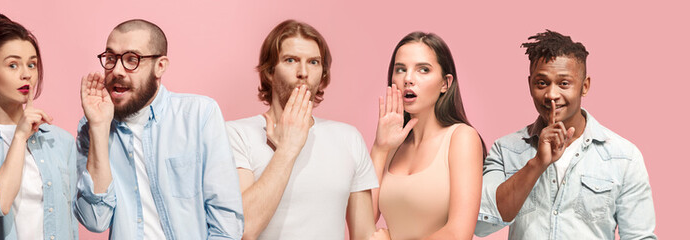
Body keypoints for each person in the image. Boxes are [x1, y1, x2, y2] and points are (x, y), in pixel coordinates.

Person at [474, 30, 657, 239]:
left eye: (564, 83)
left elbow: (639, 236)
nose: (551, 95)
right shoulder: (505, 150)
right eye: (542, 83)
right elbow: (481, 225)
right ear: (530, 85)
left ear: (584, 86)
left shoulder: (624, 157)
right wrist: (537, 164)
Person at [74, 19, 244, 239]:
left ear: (160, 66)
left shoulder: (199, 115)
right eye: (110, 58)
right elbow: (95, 220)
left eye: (131, 59)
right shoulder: (91, 126)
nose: (117, 70)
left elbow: (227, 220)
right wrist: (99, 128)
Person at [0, 12, 100, 239]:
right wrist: (19, 137)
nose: (27, 74)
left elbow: (81, 221)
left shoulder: (60, 141)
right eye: (13, 65)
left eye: (32, 64)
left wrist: (99, 127)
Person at [224, 19, 378, 240]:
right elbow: (243, 229)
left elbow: (364, 235)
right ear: (269, 72)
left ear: (323, 74)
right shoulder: (236, 135)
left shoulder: (349, 138)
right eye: (291, 60)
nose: (303, 72)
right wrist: (287, 150)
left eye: (313, 62)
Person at [370, 32, 483, 240]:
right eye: (400, 69)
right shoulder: (392, 144)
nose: (408, 79)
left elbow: (458, 233)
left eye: (423, 69)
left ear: (445, 83)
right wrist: (379, 148)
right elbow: (363, 220)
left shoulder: (461, 138)